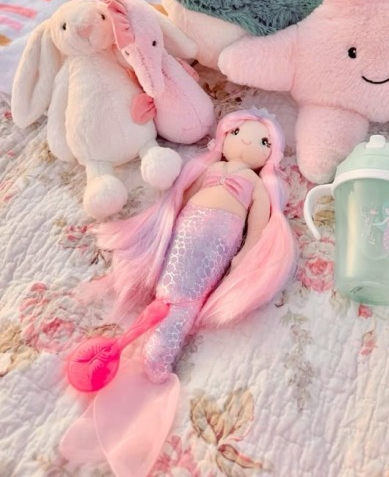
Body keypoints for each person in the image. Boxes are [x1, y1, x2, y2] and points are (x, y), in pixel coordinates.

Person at [61, 108, 296, 477]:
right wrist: (164, 227)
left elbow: (258, 224)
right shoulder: (207, 168)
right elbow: (180, 200)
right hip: (187, 227)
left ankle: (159, 353)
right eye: (238, 133)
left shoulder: (256, 184)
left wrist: (246, 255)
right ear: (224, 137)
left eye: (263, 141)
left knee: (188, 293)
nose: (247, 142)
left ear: (271, 153)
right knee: (170, 285)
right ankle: (144, 344)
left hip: (220, 236)